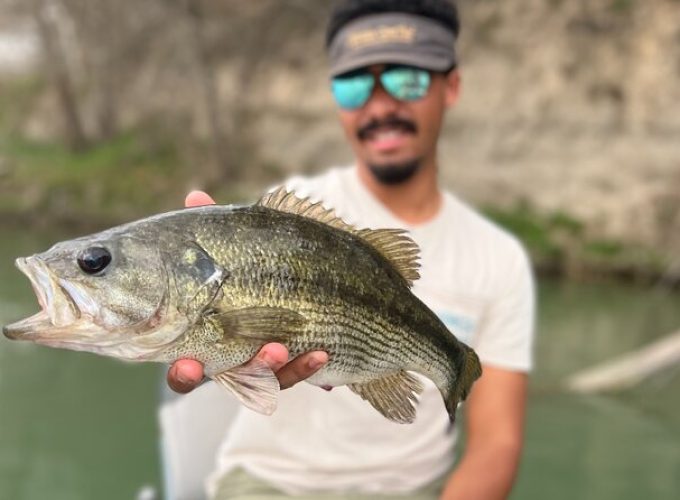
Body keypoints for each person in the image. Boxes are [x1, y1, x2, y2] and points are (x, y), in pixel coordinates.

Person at [164, 1, 535, 498]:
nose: (380, 106)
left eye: (407, 81)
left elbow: (497, 445)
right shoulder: (283, 217)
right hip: (270, 484)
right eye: (354, 84)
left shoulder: (500, 258)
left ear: (452, 86)